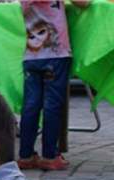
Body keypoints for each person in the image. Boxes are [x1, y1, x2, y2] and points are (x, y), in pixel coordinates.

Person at [17, 0, 90, 171]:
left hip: (31, 55)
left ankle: (25, 155)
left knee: (30, 105)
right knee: (52, 106)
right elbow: (84, 3)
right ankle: (50, 156)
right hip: (56, 54)